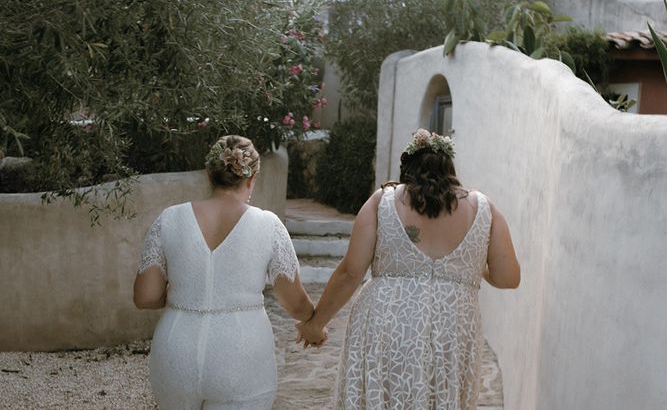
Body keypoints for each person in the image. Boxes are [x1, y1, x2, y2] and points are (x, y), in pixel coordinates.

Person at [296, 128, 520, 409]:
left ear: (408, 169)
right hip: (452, 331)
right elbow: (508, 277)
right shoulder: (484, 208)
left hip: (386, 326)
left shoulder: (384, 201)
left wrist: (316, 324)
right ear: (450, 168)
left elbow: (350, 272)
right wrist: (470, 266)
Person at [133, 134, 326, 409]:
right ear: (252, 179)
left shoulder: (170, 219)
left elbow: (145, 297)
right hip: (241, 354)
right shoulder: (268, 225)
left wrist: (186, 294)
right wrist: (314, 322)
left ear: (209, 175)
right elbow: (295, 303)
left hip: (176, 351)